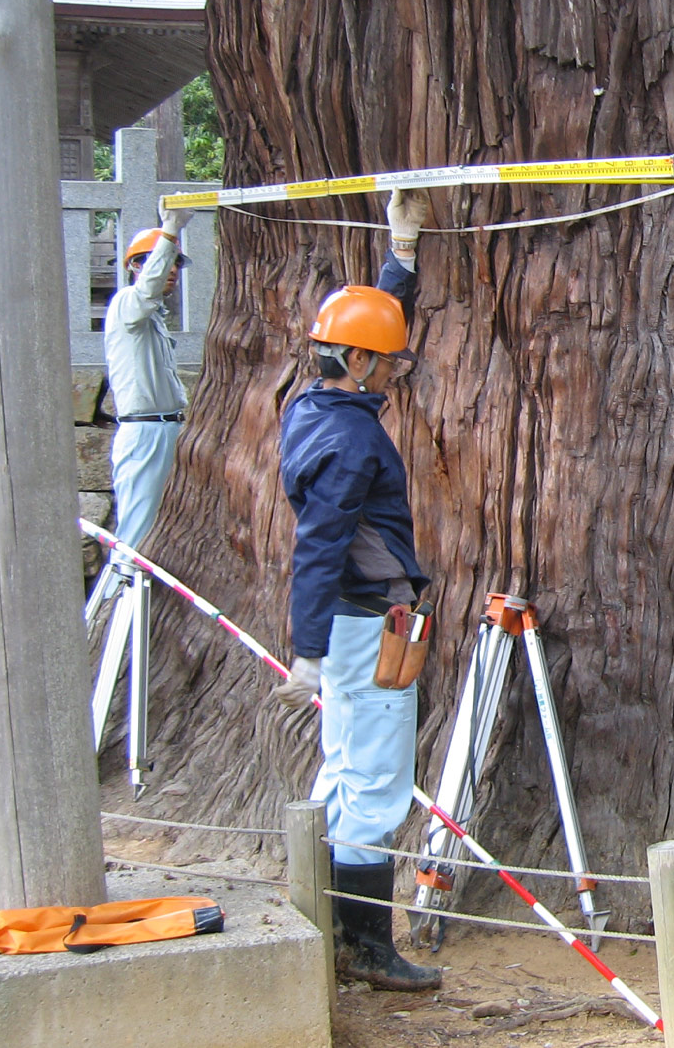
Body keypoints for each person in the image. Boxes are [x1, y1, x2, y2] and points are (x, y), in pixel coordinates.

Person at [271, 189, 441, 991]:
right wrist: (305, 649)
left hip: (345, 626)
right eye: (389, 360)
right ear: (361, 363)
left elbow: (366, 325)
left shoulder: (309, 407)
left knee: (341, 770)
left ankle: (326, 927)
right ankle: (367, 950)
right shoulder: (350, 441)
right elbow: (320, 545)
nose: (395, 369)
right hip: (364, 625)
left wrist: (398, 254)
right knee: (372, 781)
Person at [105, 205, 193, 548]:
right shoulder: (128, 302)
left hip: (166, 428)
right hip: (144, 431)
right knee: (136, 533)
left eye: (175, 263)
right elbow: (147, 290)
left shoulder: (152, 315)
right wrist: (170, 229)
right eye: (162, 260)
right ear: (135, 266)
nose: (171, 270)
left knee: (165, 531)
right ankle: (122, 595)